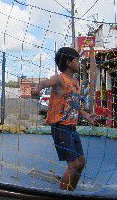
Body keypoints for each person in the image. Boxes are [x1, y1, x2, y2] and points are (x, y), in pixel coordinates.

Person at [31, 47, 99, 191]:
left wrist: (86, 115)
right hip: (60, 126)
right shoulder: (60, 78)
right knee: (73, 165)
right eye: (77, 60)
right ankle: (63, 194)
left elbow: (73, 103)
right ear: (69, 62)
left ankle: (70, 190)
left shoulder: (75, 82)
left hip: (71, 126)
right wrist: (37, 88)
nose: (79, 63)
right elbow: (44, 83)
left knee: (81, 162)